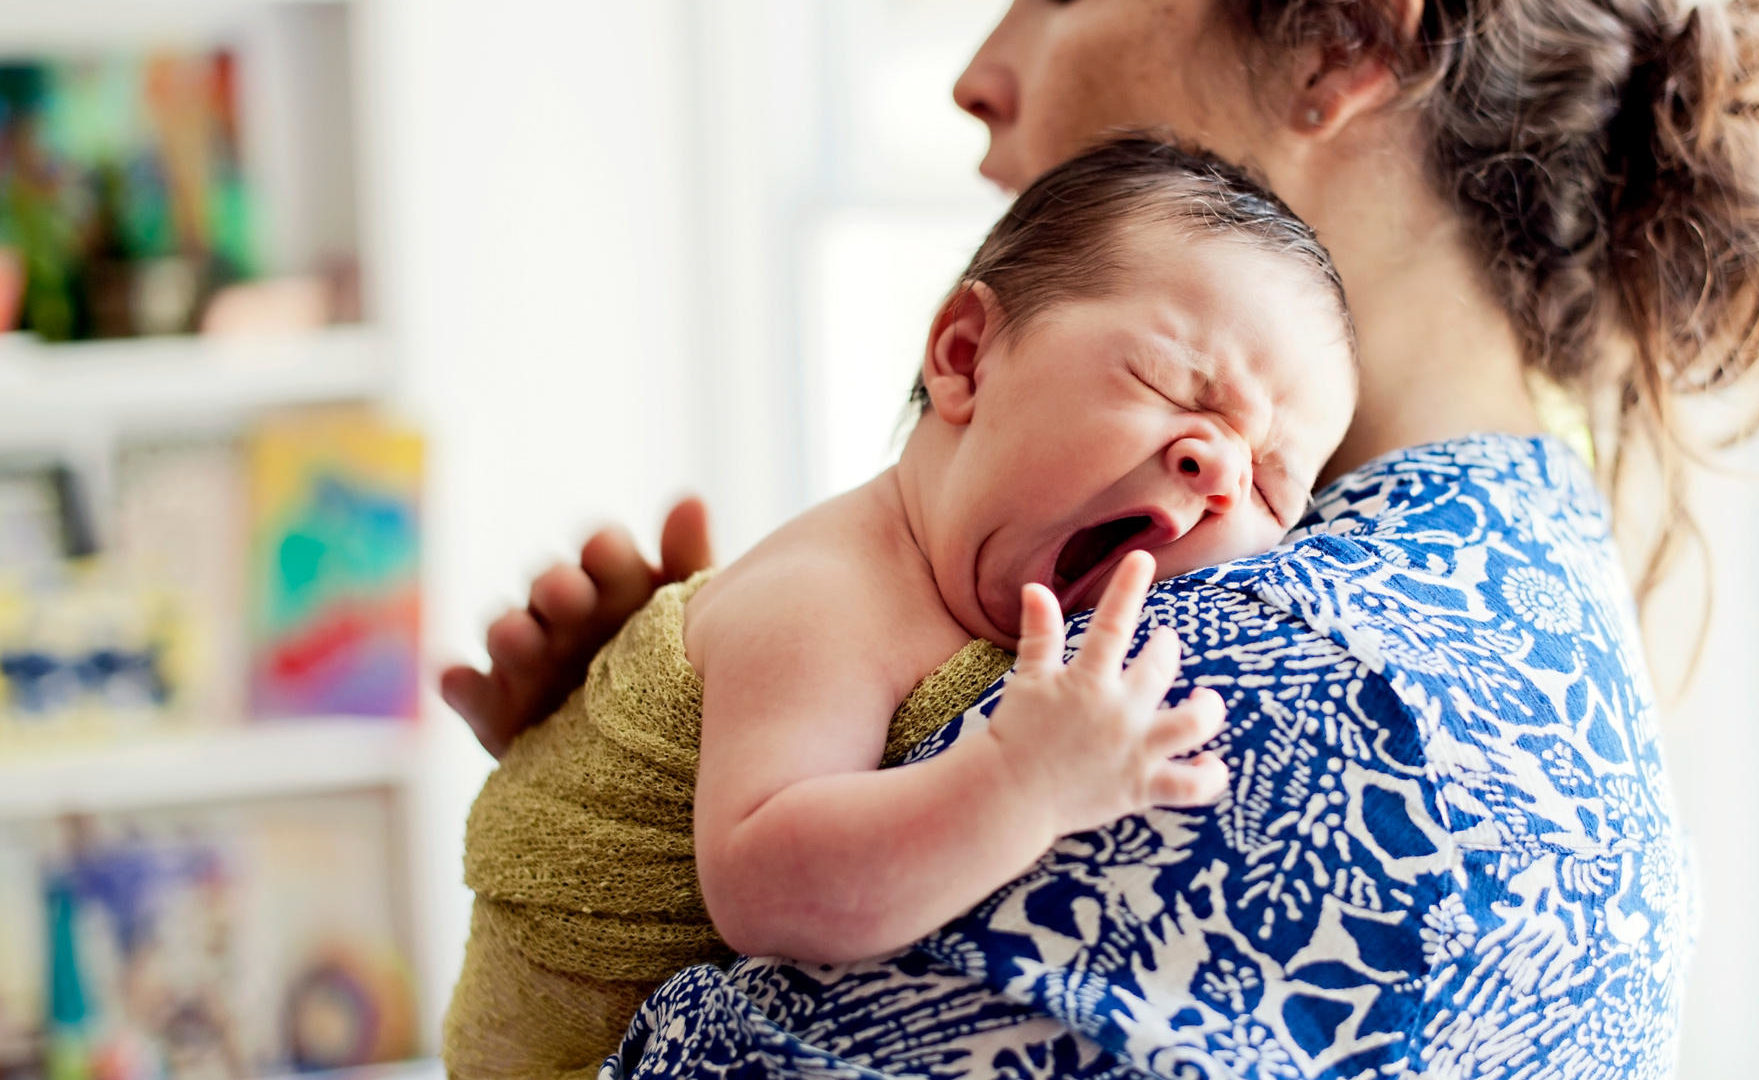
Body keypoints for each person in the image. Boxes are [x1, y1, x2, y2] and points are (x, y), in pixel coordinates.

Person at [442, 0, 1759, 1075]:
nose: (978, 74)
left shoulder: (1293, 683)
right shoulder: (1503, 576)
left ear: (1338, 40)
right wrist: (627, 764)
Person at [441, 140, 1359, 1080]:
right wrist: (1020, 783)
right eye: (1173, 387)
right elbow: (766, 888)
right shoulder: (828, 599)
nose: (1220, 474)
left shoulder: (1005, 596)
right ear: (966, 358)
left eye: (1273, 487)